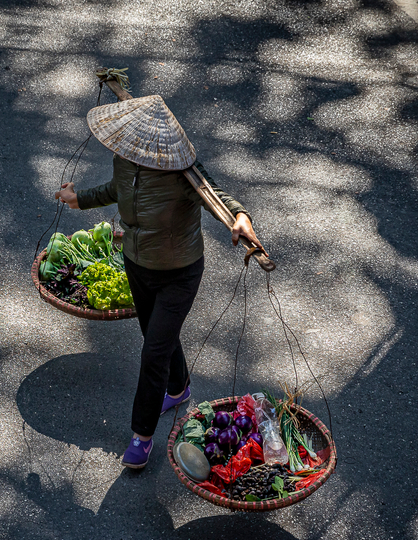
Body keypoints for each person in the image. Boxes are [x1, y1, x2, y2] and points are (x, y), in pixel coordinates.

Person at [55, 94, 263, 469]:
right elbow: (116, 190)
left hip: (179, 272)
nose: (128, 151)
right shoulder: (124, 158)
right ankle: (179, 387)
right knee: (156, 334)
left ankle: (142, 436)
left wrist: (240, 216)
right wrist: (79, 199)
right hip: (137, 263)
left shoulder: (184, 172)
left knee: (153, 353)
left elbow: (216, 195)